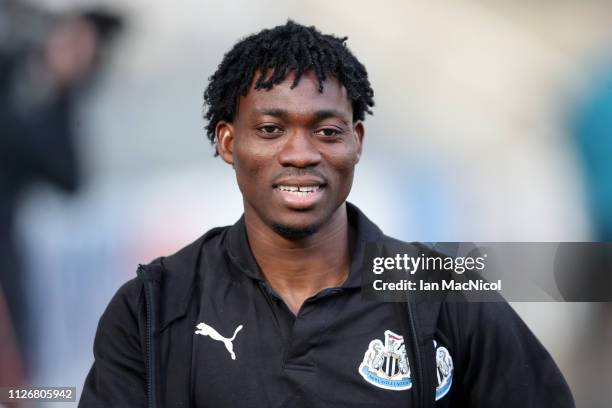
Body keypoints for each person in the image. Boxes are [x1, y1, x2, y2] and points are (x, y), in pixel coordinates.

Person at [79, 21, 575, 407]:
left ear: (356, 142)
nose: (301, 153)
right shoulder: (154, 306)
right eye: (271, 129)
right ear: (229, 142)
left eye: (327, 131)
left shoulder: (445, 294)